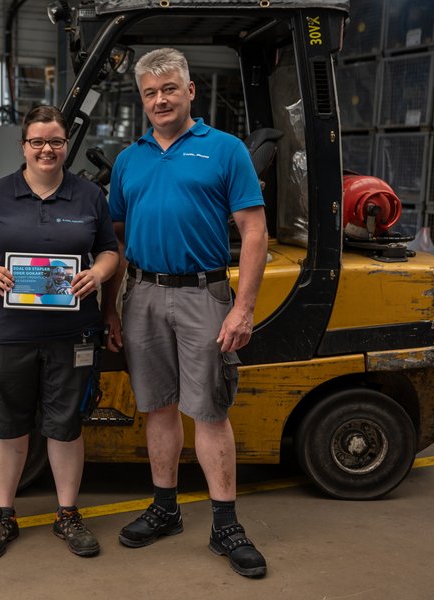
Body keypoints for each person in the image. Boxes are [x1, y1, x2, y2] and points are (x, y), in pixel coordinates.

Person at [102, 48, 269, 578]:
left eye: (169, 89)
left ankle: (225, 525)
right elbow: (117, 241)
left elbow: (254, 232)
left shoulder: (225, 149)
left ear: (190, 90)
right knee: (158, 407)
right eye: (150, 92)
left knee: (210, 411)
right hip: (142, 294)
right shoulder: (129, 160)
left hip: (204, 294)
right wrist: (111, 308)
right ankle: (165, 509)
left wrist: (243, 308)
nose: (160, 100)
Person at [0, 105, 118, 560]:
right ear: (24, 145)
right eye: (38, 141)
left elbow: (110, 250)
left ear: (67, 145)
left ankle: (67, 514)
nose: (47, 149)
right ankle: (3, 515)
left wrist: (98, 274)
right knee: (8, 426)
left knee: (65, 426)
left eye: (56, 141)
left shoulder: (89, 196)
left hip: (72, 332)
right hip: (8, 332)